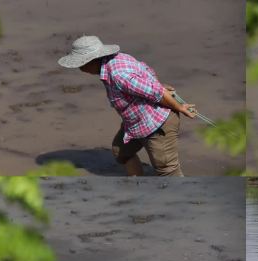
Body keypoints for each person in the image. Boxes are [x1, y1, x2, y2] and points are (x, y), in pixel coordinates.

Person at [58, 35, 196, 176]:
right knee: (121, 152)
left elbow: (157, 92)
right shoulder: (117, 60)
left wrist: (180, 107)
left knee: (166, 169)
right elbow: (147, 71)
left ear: (92, 60)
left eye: (81, 64)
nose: (80, 69)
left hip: (157, 123)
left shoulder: (119, 75)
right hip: (136, 122)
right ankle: (136, 184)